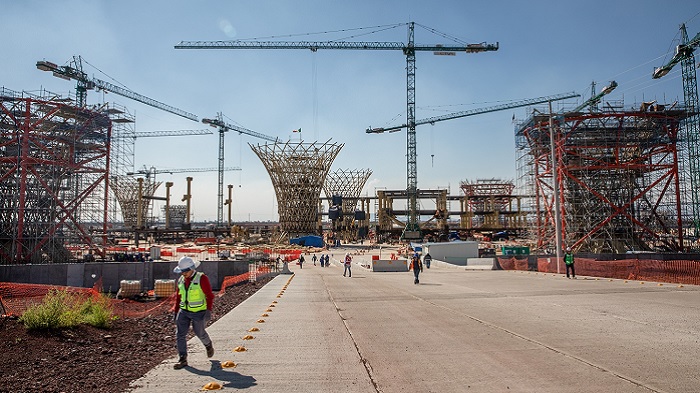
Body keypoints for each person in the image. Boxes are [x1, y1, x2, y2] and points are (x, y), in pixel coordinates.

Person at [173, 256, 215, 370]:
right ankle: (183, 358)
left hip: (198, 312)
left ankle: (208, 345)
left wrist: (208, 310)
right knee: (180, 334)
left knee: (199, 332)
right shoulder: (181, 280)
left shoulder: (202, 278)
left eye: (185, 271)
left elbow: (210, 296)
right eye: (182, 271)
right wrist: (176, 311)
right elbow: (178, 297)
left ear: (192, 268)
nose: (183, 274)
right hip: (184, 311)